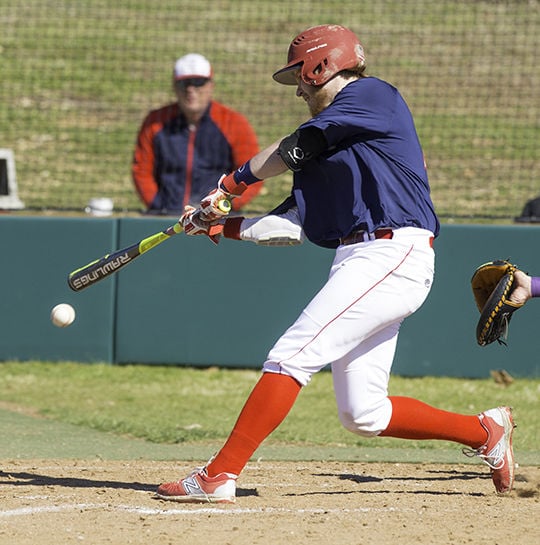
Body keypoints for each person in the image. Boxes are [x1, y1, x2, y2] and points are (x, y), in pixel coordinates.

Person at [156, 25, 516, 503]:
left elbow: (291, 147)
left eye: (301, 78)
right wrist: (220, 225)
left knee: (291, 355)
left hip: (393, 251)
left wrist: (229, 184)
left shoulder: (372, 95)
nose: (299, 89)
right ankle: (484, 431)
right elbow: (288, 225)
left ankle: (219, 475)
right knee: (363, 413)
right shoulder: (328, 146)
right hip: (361, 258)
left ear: (320, 66)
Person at [132, 53, 264, 215]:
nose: (191, 90)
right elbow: (142, 170)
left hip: (217, 218)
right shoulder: (155, 122)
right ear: (174, 87)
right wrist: (159, 206)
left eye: (198, 83)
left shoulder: (234, 123)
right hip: (166, 217)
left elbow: (252, 173)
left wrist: (224, 206)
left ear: (210, 85)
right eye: (184, 83)